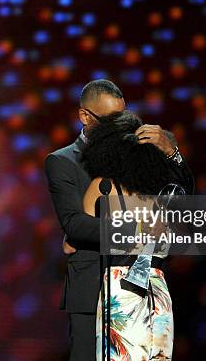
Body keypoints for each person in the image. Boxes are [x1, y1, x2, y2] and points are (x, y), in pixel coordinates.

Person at [44, 79, 193, 360]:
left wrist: (171, 153)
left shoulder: (136, 152)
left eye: (122, 117)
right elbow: (75, 223)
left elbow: (179, 197)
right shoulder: (62, 161)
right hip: (92, 287)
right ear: (85, 116)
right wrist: (138, 228)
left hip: (141, 285)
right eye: (111, 120)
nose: (119, 126)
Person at [81, 110, 178, 360]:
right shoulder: (164, 194)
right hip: (158, 287)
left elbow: (78, 239)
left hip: (119, 287)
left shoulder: (104, 187)